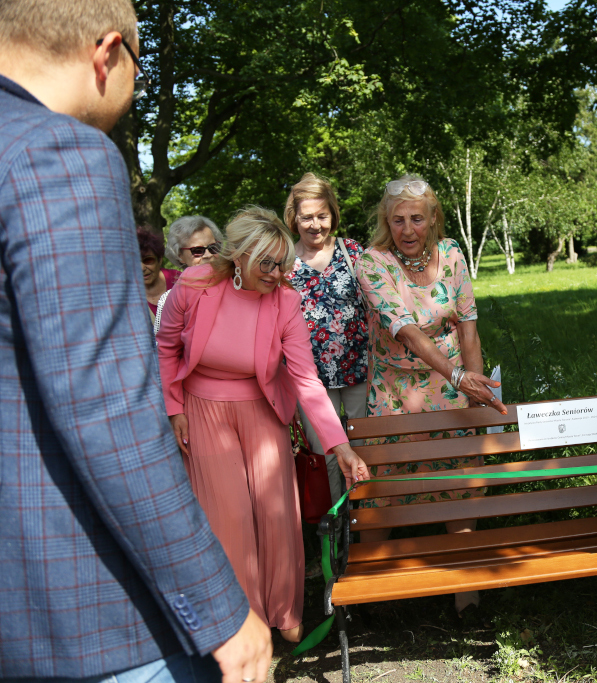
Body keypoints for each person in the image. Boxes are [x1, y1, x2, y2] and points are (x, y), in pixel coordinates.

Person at [0, 1, 271, 681]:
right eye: (139, 70)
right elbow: (106, 409)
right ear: (107, 52)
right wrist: (221, 610)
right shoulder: (57, 155)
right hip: (77, 617)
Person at [156, 206, 370, 644]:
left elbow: (306, 379)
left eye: (282, 263)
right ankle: (242, 623)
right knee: (228, 517)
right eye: (266, 263)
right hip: (203, 409)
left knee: (277, 514)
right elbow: (165, 347)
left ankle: (284, 610)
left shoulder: (286, 301)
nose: (276, 273)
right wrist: (173, 407)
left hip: (262, 407)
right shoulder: (194, 287)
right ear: (237, 256)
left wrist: (339, 446)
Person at [355, 175, 506, 615]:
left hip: (453, 388)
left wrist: (475, 389)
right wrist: (460, 377)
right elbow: (407, 333)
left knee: (461, 483)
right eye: (397, 219)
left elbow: (469, 326)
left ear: (434, 218)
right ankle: (374, 591)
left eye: (417, 219)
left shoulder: (454, 254)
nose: (407, 229)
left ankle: (466, 595)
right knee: (385, 489)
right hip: (395, 392)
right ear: (386, 220)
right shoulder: (372, 263)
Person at [284, 173, 369, 503]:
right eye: (306, 217)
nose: (315, 224)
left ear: (333, 214)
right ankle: (336, 536)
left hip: (360, 370)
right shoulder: (284, 263)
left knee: (363, 450)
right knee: (329, 455)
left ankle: (368, 524)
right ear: (294, 218)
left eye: (322, 215)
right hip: (311, 380)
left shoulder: (351, 252)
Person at [139, 225, 180, 318]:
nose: (142, 268)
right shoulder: (125, 294)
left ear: (160, 259)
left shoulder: (180, 281)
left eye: (148, 260)